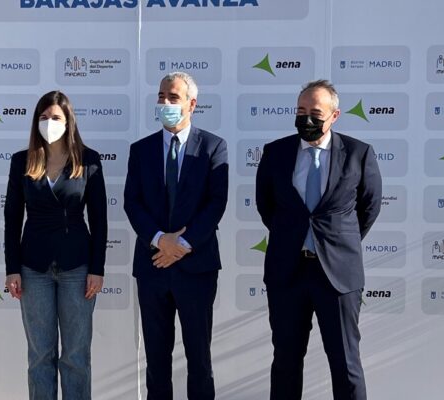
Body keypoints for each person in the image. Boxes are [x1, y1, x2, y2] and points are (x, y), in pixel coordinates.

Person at [255, 80, 382, 400]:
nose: (306, 119)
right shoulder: (275, 153)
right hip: (288, 272)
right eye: (301, 111)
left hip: (337, 275)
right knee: (285, 362)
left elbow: (369, 208)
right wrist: (295, 237)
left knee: (346, 363)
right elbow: (266, 206)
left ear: (335, 115)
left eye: (315, 112)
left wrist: (333, 241)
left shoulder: (358, 153)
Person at [124, 71, 228, 400]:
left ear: (191, 104)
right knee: (156, 361)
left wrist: (181, 245)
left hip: (196, 268)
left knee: (199, 360)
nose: (165, 103)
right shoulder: (141, 150)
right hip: (152, 266)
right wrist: (160, 240)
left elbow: (216, 203)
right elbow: (132, 202)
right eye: (161, 96)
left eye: (173, 97)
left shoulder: (213, 147)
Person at [4, 90, 108, 400]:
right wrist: (12, 268)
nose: (49, 122)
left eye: (56, 117)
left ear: (69, 121)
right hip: (33, 268)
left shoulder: (88, 160)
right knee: (40, 355)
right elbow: (12, 219)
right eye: (44, 117)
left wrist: (97, 268)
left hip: (77, 267)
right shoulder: (21, 161)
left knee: (76, 356)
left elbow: (100, 219)